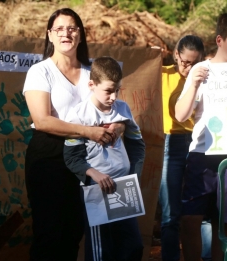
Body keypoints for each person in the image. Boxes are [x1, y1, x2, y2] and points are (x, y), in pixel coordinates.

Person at [23, 8, 120, 260]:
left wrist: (117, 126)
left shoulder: (93, 73)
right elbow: (42, 120)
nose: (66, 33)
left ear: (80, 35)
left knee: (74, 232)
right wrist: (88, 131)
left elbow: (115, 109)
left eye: (72, 28)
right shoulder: (40, 71)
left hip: (88, 159)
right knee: (49, 234)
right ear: (50, 35)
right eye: (60, 29)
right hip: (50, 157)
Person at [175, 13, 227, 261]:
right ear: (220, 40)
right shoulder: (201, 69)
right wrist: (194, 84)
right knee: (190, 218)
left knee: (225, 221)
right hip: (201, 154)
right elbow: (180, 114)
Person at [63, 56, 145, 260]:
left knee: (132, 245)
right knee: (101, 251)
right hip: (95, 191)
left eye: (117, 90)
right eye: (108, 91)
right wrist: (94, 175)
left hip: (124, 188)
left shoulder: (123, 110)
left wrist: (133, 176)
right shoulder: (79, 116)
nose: (113, 96)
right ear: (92, 85)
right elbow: (72, 157)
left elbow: (138, 145)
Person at [158, 35, 210, 261]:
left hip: (199, 142)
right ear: (176, 54)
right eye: (184, 62)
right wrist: (150, 58)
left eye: (194, 62)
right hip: (170, 143)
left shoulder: (206, 78)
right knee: (170, 213)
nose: (187, 68)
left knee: (201, 210)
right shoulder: (162, 74)